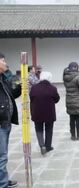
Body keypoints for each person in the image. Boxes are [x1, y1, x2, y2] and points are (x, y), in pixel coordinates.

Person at [0, 52, 21, 188]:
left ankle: (3, 179)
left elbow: (13, 93)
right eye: (2, 60)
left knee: (4, 155)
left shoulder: (3, 78)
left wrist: (20, 86)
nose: (4, 63)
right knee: (1, 156)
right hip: (0, 123)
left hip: (6, 122)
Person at [30, 72, 60, 155]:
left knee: (38, 129)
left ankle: (42, 145)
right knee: (49, 129)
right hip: (49, 112)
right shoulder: (52, 88)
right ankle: (48, 146)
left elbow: (31, 97)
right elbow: (57, 99)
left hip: (37, 112)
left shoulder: (34, 88)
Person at [63, 62, 79, 140]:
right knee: (78, 118)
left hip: (69, 100)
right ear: (76, 67)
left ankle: (73, 135)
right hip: (78, 100)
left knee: (72, 118)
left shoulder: (65, 77)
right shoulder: (78, 77)